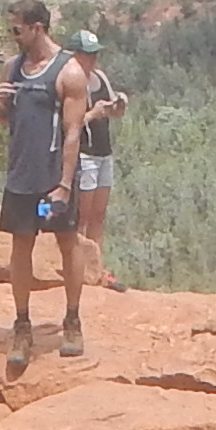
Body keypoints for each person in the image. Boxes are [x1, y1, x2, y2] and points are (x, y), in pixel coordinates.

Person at [0, 0, 95, 371]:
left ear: (37, 28)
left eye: (17, 29)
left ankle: (72, 320)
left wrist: (64, 184)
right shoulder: (12, 69)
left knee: (66, 241)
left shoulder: (69, 72)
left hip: (51, 184)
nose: (12, 36)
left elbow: (73, 132)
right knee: (21, 244)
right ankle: (22, 325)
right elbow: (10, 122)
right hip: (21, 178)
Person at [67, 28, 127, 267]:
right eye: (88, 54)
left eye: (95, 54)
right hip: (84, 155)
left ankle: (96, 266)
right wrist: (92, 114)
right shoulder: (71, 83)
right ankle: (78, 266)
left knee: (98, 215)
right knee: (82, 215)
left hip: (104, 152)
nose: (93, 59)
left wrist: (118, 105)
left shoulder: (100, 77)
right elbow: (68, 124)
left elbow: (114, 112)